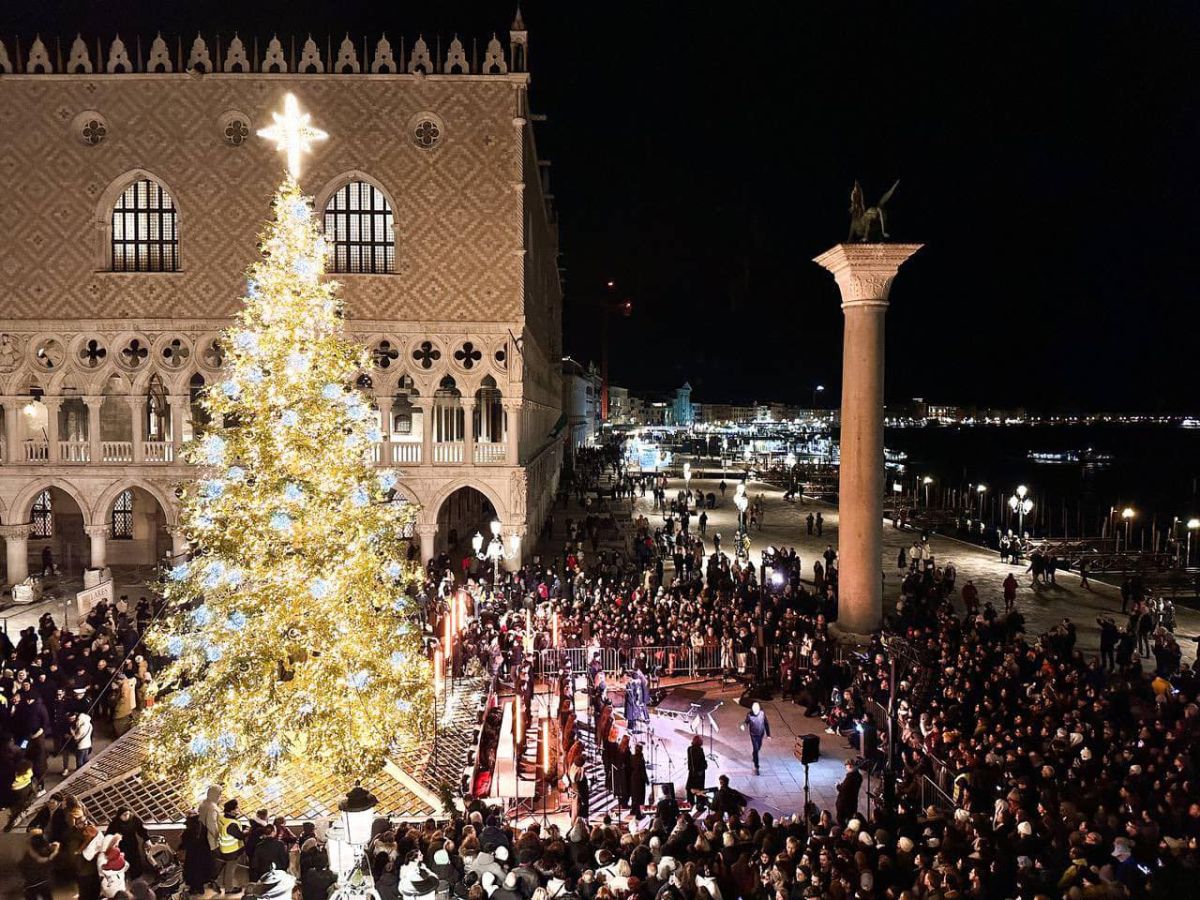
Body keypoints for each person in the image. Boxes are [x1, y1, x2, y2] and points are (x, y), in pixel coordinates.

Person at [739, 701, 771, 775]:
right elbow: (746, 722)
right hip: (753, 735)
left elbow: (766, 723)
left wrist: (768, 734)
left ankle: (754, 755)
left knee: (758, 747)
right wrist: (743, 725)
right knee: (756, 749)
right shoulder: (749, 715)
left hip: (761, 734)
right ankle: (757, 767)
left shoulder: (762, 713)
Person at [835, 759, 862, 825]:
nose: (846, 769)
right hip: (853, 802)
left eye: (846, 767)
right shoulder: (859, 776)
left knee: (841, 820)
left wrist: (837, 786)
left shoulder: (850, 777)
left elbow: (844, 789)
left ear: (849, 766)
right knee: (851, 818)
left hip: (845, 804)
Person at [628, 743, 649, 819]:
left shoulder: (632, 757)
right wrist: (646, 780)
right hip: (640, 780)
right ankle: (639, 812)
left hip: (633, 778)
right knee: (640, 796)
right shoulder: (640, 759)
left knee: (634, 796)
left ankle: (633, 810)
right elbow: (643, 771)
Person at [685, 734, 707, 803]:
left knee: (690, 789)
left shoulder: (690, 749)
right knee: (699, 789)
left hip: (694, 772)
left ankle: (691, 803)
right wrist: (704, 766)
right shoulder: (699, 750)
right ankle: (700, 804)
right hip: (698, 773)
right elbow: (700, 761)